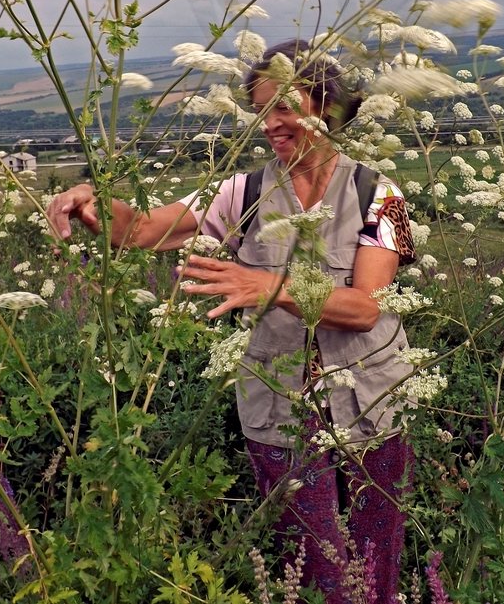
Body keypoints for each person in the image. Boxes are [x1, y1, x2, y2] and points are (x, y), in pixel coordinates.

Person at [46, 40, 418, 603]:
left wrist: (268, 286)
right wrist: (92, 202)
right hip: (278, 411)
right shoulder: (239, 192)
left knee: (375, 560)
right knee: (318, 568)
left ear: (329, 109)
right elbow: (147, 229)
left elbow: (366, 308)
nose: (271, 125)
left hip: (372, 406)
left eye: (285, 109)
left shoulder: (380, 195)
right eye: (262, 112)